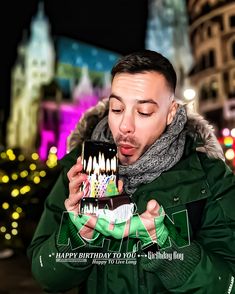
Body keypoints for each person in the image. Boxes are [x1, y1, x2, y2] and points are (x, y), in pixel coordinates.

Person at [27, 50, 235, 294]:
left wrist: (168, 250)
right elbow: (46, 276)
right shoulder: (80, 171)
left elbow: (228, 284)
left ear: (170, 113)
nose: (125, 126)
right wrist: (77, 237)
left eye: (144, 112)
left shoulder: (209, 174)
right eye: (116, 109)